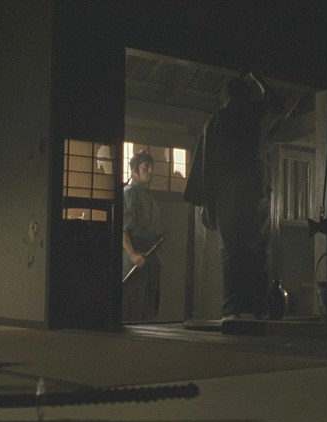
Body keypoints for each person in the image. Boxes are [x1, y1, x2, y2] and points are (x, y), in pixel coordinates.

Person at [183, 71, 284, 320]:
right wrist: (259, 78)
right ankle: (257, 308)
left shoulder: (216, 121)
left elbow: (207, 165)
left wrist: (206, 205)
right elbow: (276, 103)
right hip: (255, 192)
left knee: (232, 251)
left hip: (227, 195)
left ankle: (234, 310)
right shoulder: (256, 114)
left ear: (226, 97)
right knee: (257, 250)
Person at [122, 151, 162, 321]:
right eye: (146, 167)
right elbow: (122, 229)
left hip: (149, 253)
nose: (150, 171)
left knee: (148, 303)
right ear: (134, 170)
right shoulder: (129, 192)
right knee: (133, 301)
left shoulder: (148, 196)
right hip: (133, 252)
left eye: (152, 167)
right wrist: (132, 254)